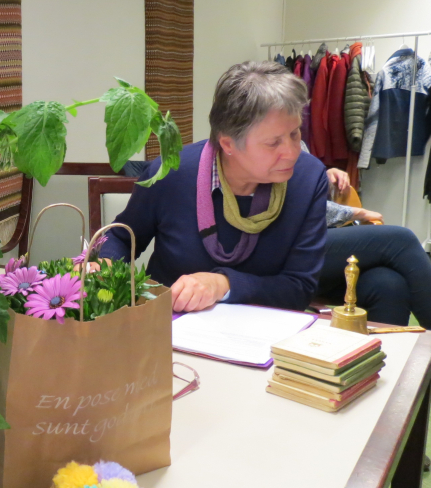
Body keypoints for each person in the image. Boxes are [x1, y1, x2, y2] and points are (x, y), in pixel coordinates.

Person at [99, 60, 329, 313]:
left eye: (295, 134)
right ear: (228, 144)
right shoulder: (171, 171)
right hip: (169, 327)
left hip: (259, 336)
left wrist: (223, 283)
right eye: (274, 143)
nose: (292, 152)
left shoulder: (309, 179)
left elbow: (299, 288)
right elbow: (121, 236)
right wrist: (105, 264)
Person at [317, 168, 431, 415]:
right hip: (282, 243)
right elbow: (296, 203)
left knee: (389, 285)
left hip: (315, 236)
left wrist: (321, 171)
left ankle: (379, 403)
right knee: (400, 239)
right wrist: (356, 212)